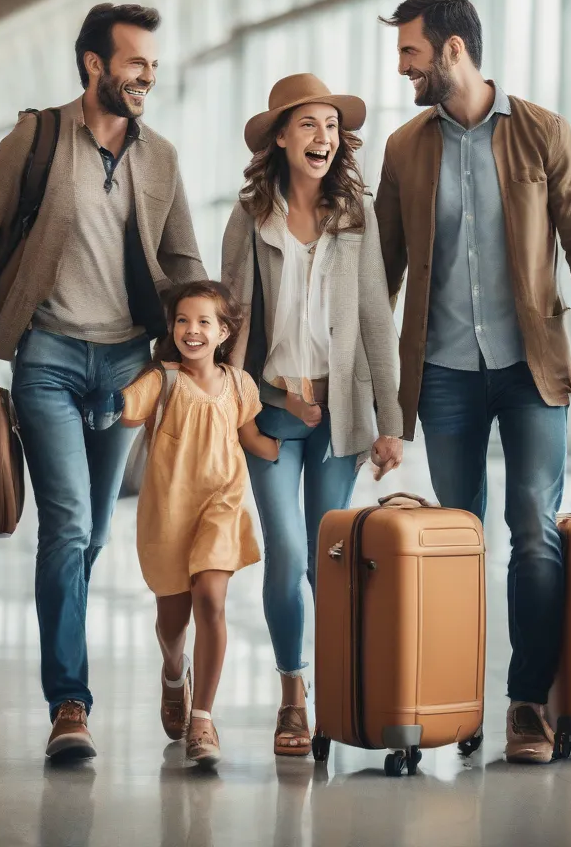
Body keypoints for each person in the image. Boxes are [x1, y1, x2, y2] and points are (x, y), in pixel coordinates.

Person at [0, 3, 206, 761]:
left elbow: (181, 262)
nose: (147, 75)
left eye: (153, 64)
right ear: (94, 64)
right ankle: (70, 704)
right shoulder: (39, 137)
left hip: (125, 366)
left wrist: (197, 352)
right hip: (50, 359)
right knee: (70, 526)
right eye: (134, 63)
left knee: (89, 540)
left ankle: (66, 663)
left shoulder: (160, 157)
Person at [375, 0, 571, 765]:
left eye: (411, 52)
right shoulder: (406, 147)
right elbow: (381, 268)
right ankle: (453, 704)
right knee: (457, 537)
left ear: (453, 50)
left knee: (534, 533)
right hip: (443, 371)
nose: (403, 68)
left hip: (532, 369)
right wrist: (372, 386)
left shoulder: (542, 132)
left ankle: (525, 705)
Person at [221, 73, 404, 757]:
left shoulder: (358, 214)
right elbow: (228, 324)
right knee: (288, 553)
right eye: (308, 125)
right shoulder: (248, 218)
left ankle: (338, 690)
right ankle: (293, 695)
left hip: (340, 416)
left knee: (327, 561)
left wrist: (390, 422)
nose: (322, 137)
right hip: (271, 414)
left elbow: (378, 320)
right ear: (280, 138)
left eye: (331, 126)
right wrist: (242, 416)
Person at [84, 281, 278, 768]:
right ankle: (175, 672)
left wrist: (298, 447)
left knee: (211, 599)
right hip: (168, 514)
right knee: (173, 621)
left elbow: (252, 436)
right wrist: (101, 403)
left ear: (224, 331)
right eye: (183, 321)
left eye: (204, 322)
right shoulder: (162, 380)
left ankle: (203, 718)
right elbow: (125, 409)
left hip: (222, 505)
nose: (192, 330)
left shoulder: (239, 384)